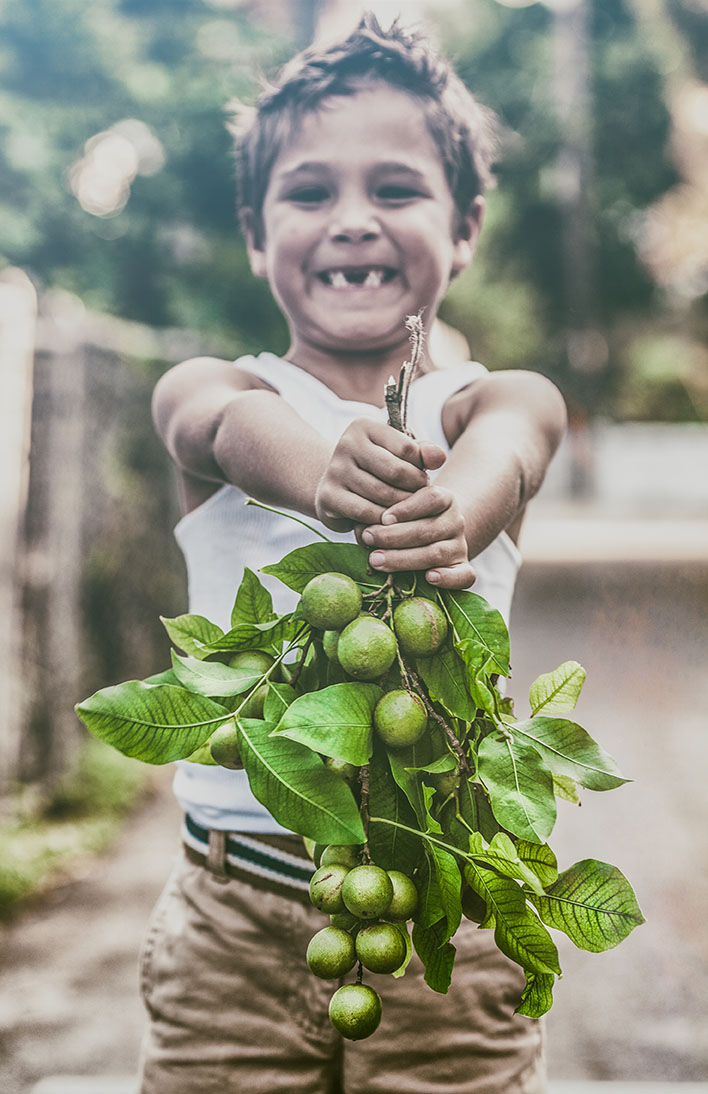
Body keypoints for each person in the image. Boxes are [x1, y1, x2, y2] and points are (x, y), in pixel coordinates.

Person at [139, 13, 567, 1094]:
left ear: (466, 226)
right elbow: (208, 423)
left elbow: (519, 436)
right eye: (311, 192)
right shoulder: (225, 387)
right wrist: (319, 465)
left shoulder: (481, 405)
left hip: (443, 925)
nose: (352, 221)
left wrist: (455, 508)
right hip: (232, 918)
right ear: (254, 228)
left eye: (396, 188)